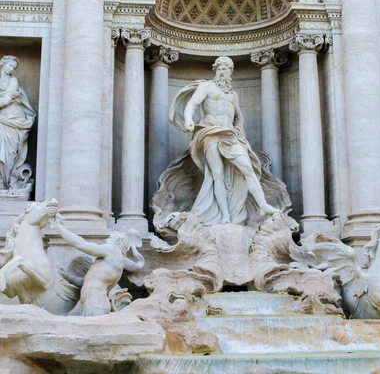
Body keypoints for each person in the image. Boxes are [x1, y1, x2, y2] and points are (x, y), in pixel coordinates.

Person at [169, 56, 279, 225]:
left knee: (248, 168)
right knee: (217, 175)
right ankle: (225, 215)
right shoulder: (206, 87)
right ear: (215, 70)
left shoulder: (233, 95)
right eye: (220, 68)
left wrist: (239, 129)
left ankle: (263, 205)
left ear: (231, 72)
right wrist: (189, 119)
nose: (222, 72)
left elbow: (239, 117)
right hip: (210, 132)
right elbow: (192, 104)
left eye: (226, 69)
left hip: (229, 135)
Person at [55, 223, 144, 316]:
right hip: (90, 303)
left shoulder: (112, 249)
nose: (106, 240)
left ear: (118, 241)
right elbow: (88, 282)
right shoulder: (116, 260)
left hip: (95, 304)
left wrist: (60, 228)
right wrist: (68, 277)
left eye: (110, 238)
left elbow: (82, 244)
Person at [0, 56, 35, 190]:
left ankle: (8, 180)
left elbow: (7, 100)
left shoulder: (13, 80)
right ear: (2, 64)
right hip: (2, 119)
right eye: (9, 65)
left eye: (13, 67)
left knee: (12, 149)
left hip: (14, 118)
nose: (11, 69)